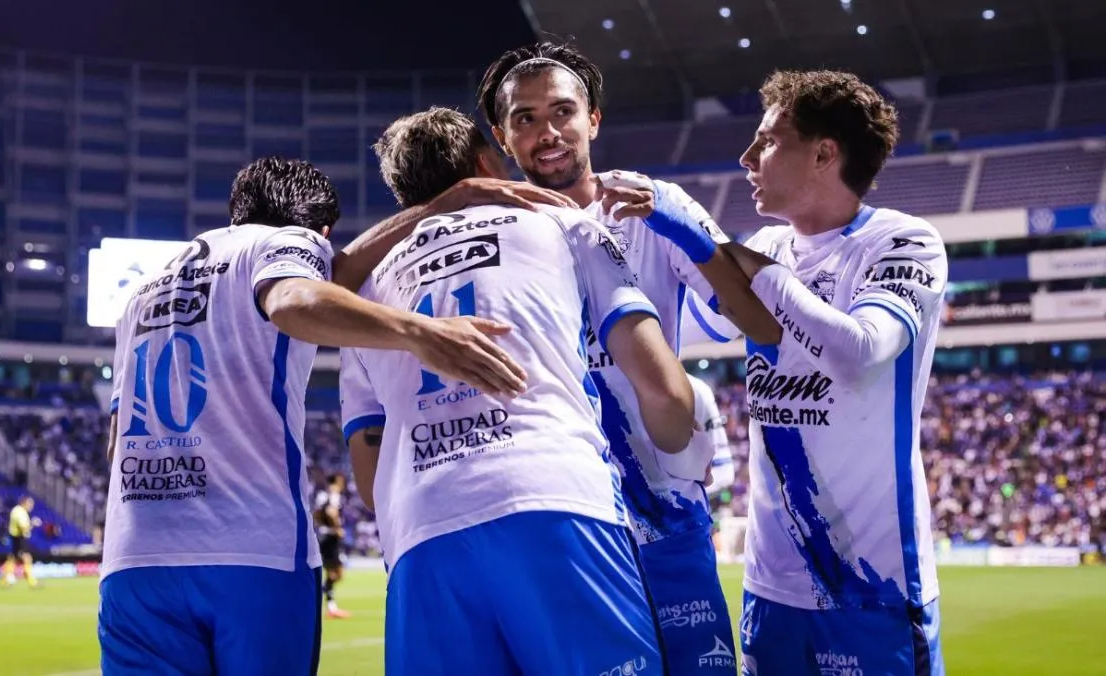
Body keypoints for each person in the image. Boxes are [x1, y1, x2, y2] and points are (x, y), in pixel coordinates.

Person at [98, 156, 527, 676]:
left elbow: (115, 439)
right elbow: (294, 296)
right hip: (253, 552)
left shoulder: (143, 293)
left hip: (133, 559)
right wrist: (417, 330)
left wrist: (435, 206)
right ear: (319, 233)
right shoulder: (283, 243)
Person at [341, 106, 698, 676]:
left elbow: (367, 476)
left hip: (420, 533)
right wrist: (685, 436)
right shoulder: (564, 223)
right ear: (487, 163)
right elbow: (665, 394)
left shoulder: (363, 295)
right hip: (552, 500)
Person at [646, 69, 948, 676]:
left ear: (823, 153)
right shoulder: (767, 247)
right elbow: (676, 332)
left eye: (767, 141)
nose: (746, 157)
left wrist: (754, 270)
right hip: (771, 587)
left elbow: (860, 350)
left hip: (872, 586)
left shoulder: (903, 243)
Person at [474, 41, 756, 674]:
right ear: (502, 135)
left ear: (593, 118)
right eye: (524, 118)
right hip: (562, 519)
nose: (547, 132)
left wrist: (680, 225)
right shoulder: (490, 233)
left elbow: (747, 309)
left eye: (562, 111)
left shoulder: (653, 204)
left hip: (665, 512)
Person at [313, 473, 350, 618]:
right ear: (337, 481)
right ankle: (328, 604)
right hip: (331, 538)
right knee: (338, 574)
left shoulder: (322, 495)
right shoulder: (334, 494)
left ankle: (330, 607)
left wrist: (322, 525)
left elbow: (316, 513)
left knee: (333, 574)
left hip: (323, 536)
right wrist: (337, 528)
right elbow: (331, 512)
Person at [0, 495, 39, 589]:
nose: (31, 506)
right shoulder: (20, 512)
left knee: (12, 559)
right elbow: (23, 528)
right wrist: (33, 524)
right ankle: (31, 581)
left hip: (15, 537)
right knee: (26, 558)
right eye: (30, 504)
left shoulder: (17, 510)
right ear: (25, 502)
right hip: (19, 538)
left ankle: (6, 580)